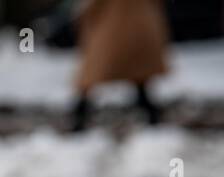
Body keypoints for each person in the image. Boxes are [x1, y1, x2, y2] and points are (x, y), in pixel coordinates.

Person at [71, 0, 170, 131]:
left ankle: (80, 114)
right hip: (141, 26)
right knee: (139, 73)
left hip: (112, 28)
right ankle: (151, 113)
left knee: (92, 74)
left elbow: (91, 6)